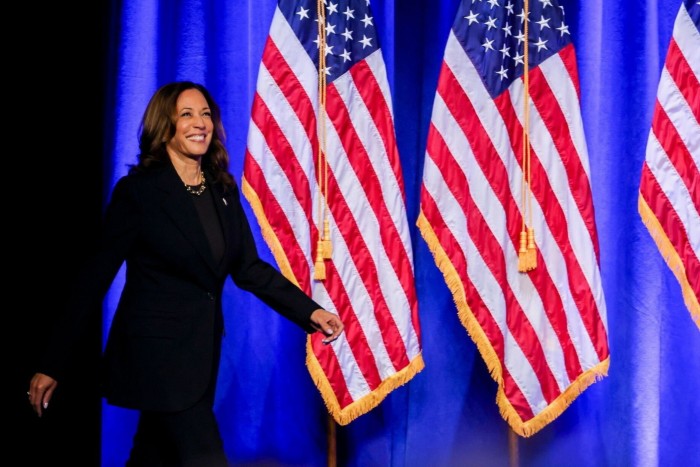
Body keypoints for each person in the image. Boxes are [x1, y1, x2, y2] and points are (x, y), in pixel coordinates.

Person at [27, 81, 344, 466]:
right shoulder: (139, 192)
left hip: (199, 357)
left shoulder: (222, 191)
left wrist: (311, 313)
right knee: (205, 457)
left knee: (152, 455)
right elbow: (94, 277)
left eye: (206, 114)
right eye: (187, 115)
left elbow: (249, 269)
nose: (200, 123)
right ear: (167, 126)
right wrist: (53, 360)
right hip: (155, 357)